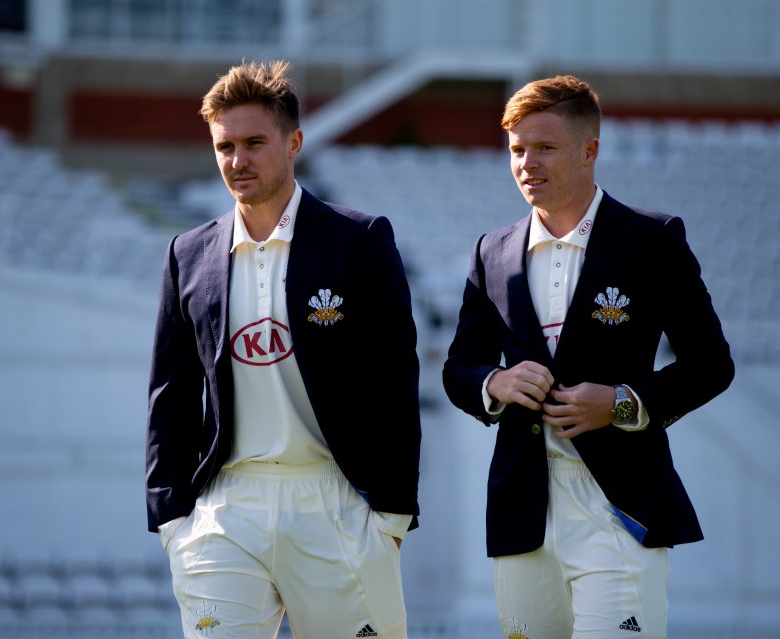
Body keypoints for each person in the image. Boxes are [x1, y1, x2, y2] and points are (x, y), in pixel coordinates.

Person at [442, 75, 734, 639]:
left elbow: (712, 363)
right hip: (522, 510)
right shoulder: (491, 250)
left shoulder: (652, 240)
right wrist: (495, 384)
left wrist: (622, 404)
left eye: (544, 148)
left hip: (619, 508)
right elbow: (460, 370)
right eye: (516, 150)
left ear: (589, 150)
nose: (527, 163)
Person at [146, 59, 421, 639]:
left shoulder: (360, 240)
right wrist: (172, 518)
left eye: (253, 143)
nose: (237, 161)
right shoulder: (187, 254)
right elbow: (169, 395)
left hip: (334, 497)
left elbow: (395, 381)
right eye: (224, 146)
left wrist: (392, 514)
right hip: (225, 508)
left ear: (293, 142)